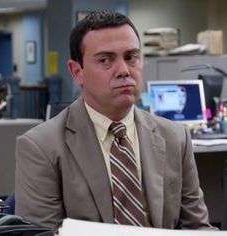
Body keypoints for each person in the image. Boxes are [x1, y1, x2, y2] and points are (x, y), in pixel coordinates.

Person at [15, 11, 215, 231]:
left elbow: (197, 228)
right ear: (77, 72)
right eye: (105, 60)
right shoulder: (41, 147)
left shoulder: (175, 137)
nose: (123, 71)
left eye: (131, 57)